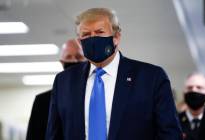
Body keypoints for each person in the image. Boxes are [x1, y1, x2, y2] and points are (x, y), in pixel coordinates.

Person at [46, 7, 182, 140]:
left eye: (99, 32)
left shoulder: (151, 78)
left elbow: (170, 134)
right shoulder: (64, 81)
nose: (93, 39)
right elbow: (54, 134)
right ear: (80, 41)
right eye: (86, 35)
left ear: (116, 37)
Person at [26, 39, 86, 140]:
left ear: (87, 61)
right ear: (62, 62)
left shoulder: (96, 96)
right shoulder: (43, 101)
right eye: (68, 57)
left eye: (78, 56)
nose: (74, 61)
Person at [178, 73, 205, 140]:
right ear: (183, 94)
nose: (194, 90)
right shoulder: (174, 122)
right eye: (190, 87)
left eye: (199, 87)